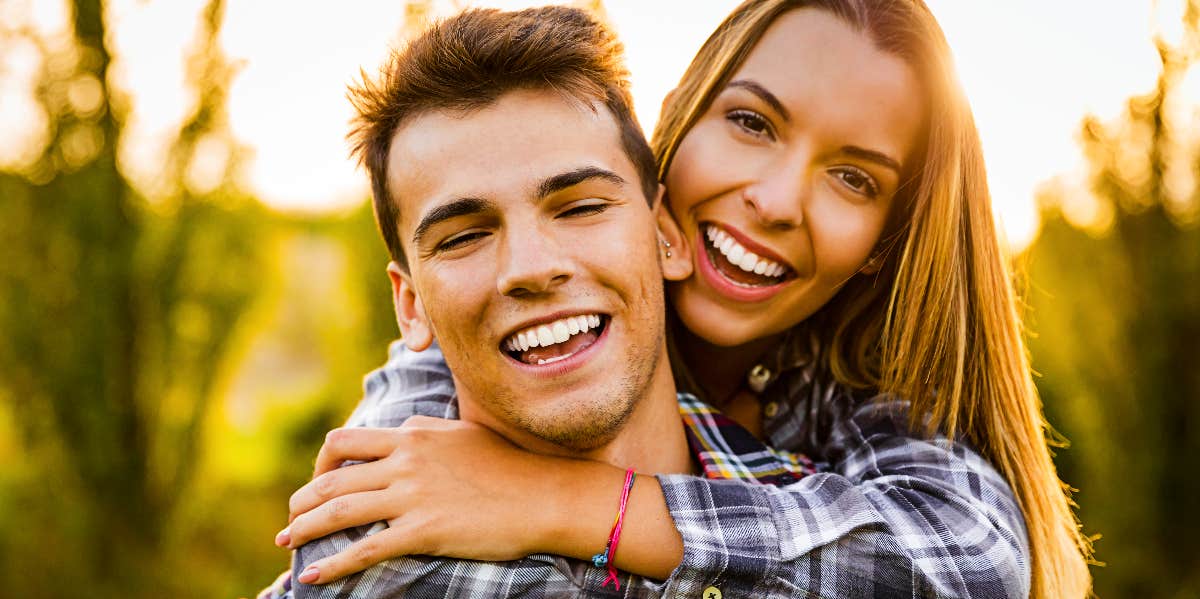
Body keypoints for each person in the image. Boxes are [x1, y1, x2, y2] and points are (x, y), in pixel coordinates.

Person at [275, 1, 1092, 597]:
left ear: (885, 238)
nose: (774, 200)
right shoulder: (446, 374)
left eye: (853, 177)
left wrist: (558, 500)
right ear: (676, 129)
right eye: (751, 122)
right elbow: (379, 498)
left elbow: (968, 560)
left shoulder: (856, 406)